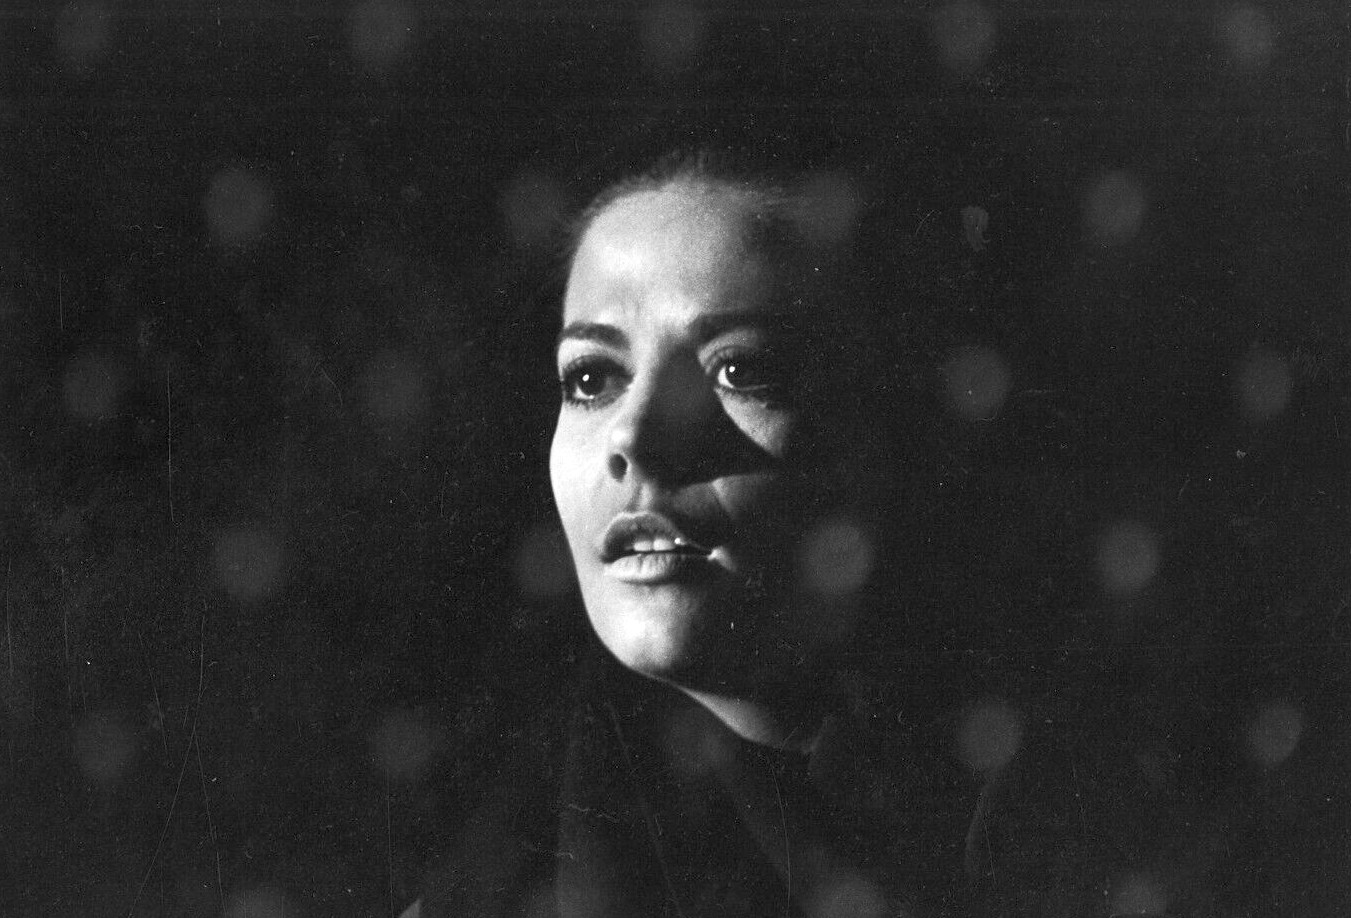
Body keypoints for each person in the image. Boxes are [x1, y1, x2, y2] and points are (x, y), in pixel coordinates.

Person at [408, 151, 1346, 918]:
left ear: (900, 431)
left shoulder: (1148, 824)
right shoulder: (497, 876)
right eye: (591, 379)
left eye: (741, 370)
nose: (638, 439)